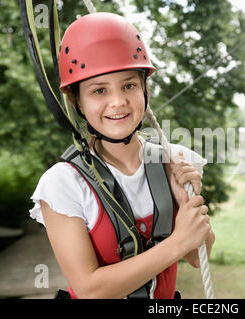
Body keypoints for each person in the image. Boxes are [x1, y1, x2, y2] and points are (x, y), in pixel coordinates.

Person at [29, 12, 215, 299]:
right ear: (76, 101)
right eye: (99, 90)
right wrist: (175, 243)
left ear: (144, 88)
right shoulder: (63, 183)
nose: (118, 102)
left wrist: (185, 200)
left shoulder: (174, 160)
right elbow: (90, 289)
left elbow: (196, 257)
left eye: (129, 85)